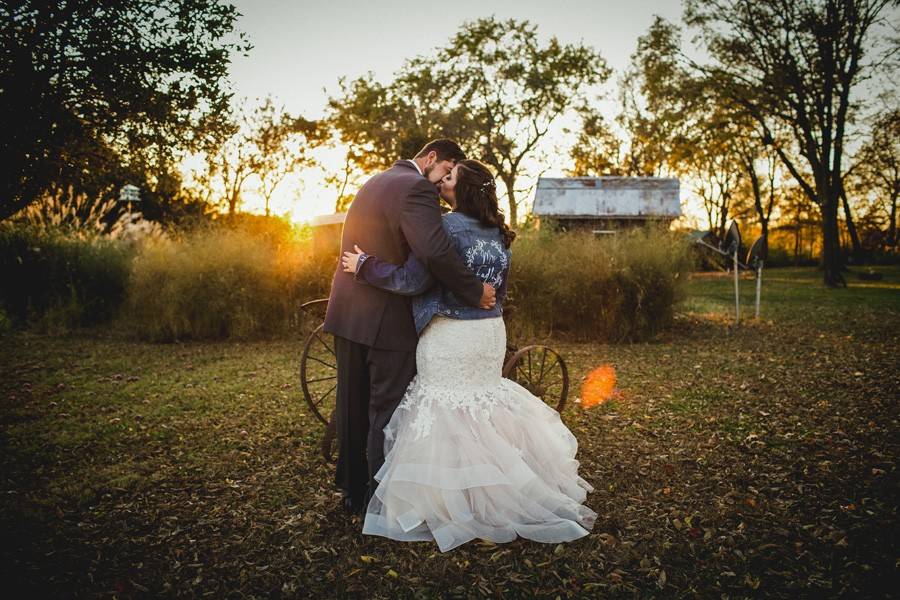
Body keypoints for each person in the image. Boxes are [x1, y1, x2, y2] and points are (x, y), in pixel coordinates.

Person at [340, 159, 596, 552]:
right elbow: (501, 291)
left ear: (461, 188)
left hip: (451, 334)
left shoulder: (446, 228)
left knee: (444, 413)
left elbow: (413, 280)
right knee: (481, 411)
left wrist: (365, 265)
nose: (441, 181)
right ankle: (493, 493)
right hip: (489, 332)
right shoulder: (497, 232)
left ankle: (450, 502)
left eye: (450, 177)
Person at [323, 140, 496, 516]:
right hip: (386, 321)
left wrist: (366, 266)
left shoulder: (375, 181)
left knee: (351, 404)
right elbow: (432, 254)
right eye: (445, 170)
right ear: (431, 158)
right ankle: (379, 497)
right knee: (385, 409)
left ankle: (352, 490)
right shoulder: (417, 187)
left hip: (348, 313)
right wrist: (473, 291)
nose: (441, 183)